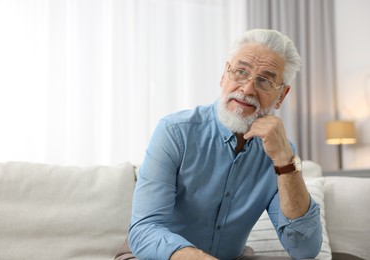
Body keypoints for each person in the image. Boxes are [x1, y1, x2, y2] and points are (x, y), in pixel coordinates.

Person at [115, 29, 322, 260]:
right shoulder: (174, 132)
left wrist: (285, 161)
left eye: (264, 80)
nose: (247, 88)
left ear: (281, 95)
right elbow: (145, 230)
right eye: (241, 72)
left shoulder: (280, 152)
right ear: (225, 75)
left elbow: (304, 250)